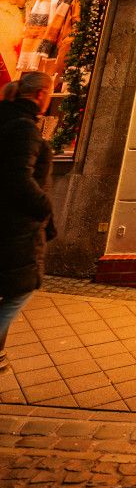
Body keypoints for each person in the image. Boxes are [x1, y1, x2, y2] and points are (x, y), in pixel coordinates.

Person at [0, 70, 56, 371]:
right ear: (41, 95)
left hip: (9, 223)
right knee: (19, 289)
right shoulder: (24, 128)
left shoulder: (7, 119)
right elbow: (18, 179)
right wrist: (44, 206)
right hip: (15, 227)